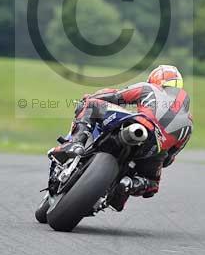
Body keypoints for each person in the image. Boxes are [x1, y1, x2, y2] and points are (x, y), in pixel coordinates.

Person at [48, 65, 193, 210]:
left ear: (155, 79)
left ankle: (76, 143)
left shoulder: (149, 88)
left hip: (140, 123)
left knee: (91, 105)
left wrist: (89, 98)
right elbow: (168, 160)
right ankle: (129, 184)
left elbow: (115, 96)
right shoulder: (188, 122)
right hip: (154, 148)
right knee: (152, 183)